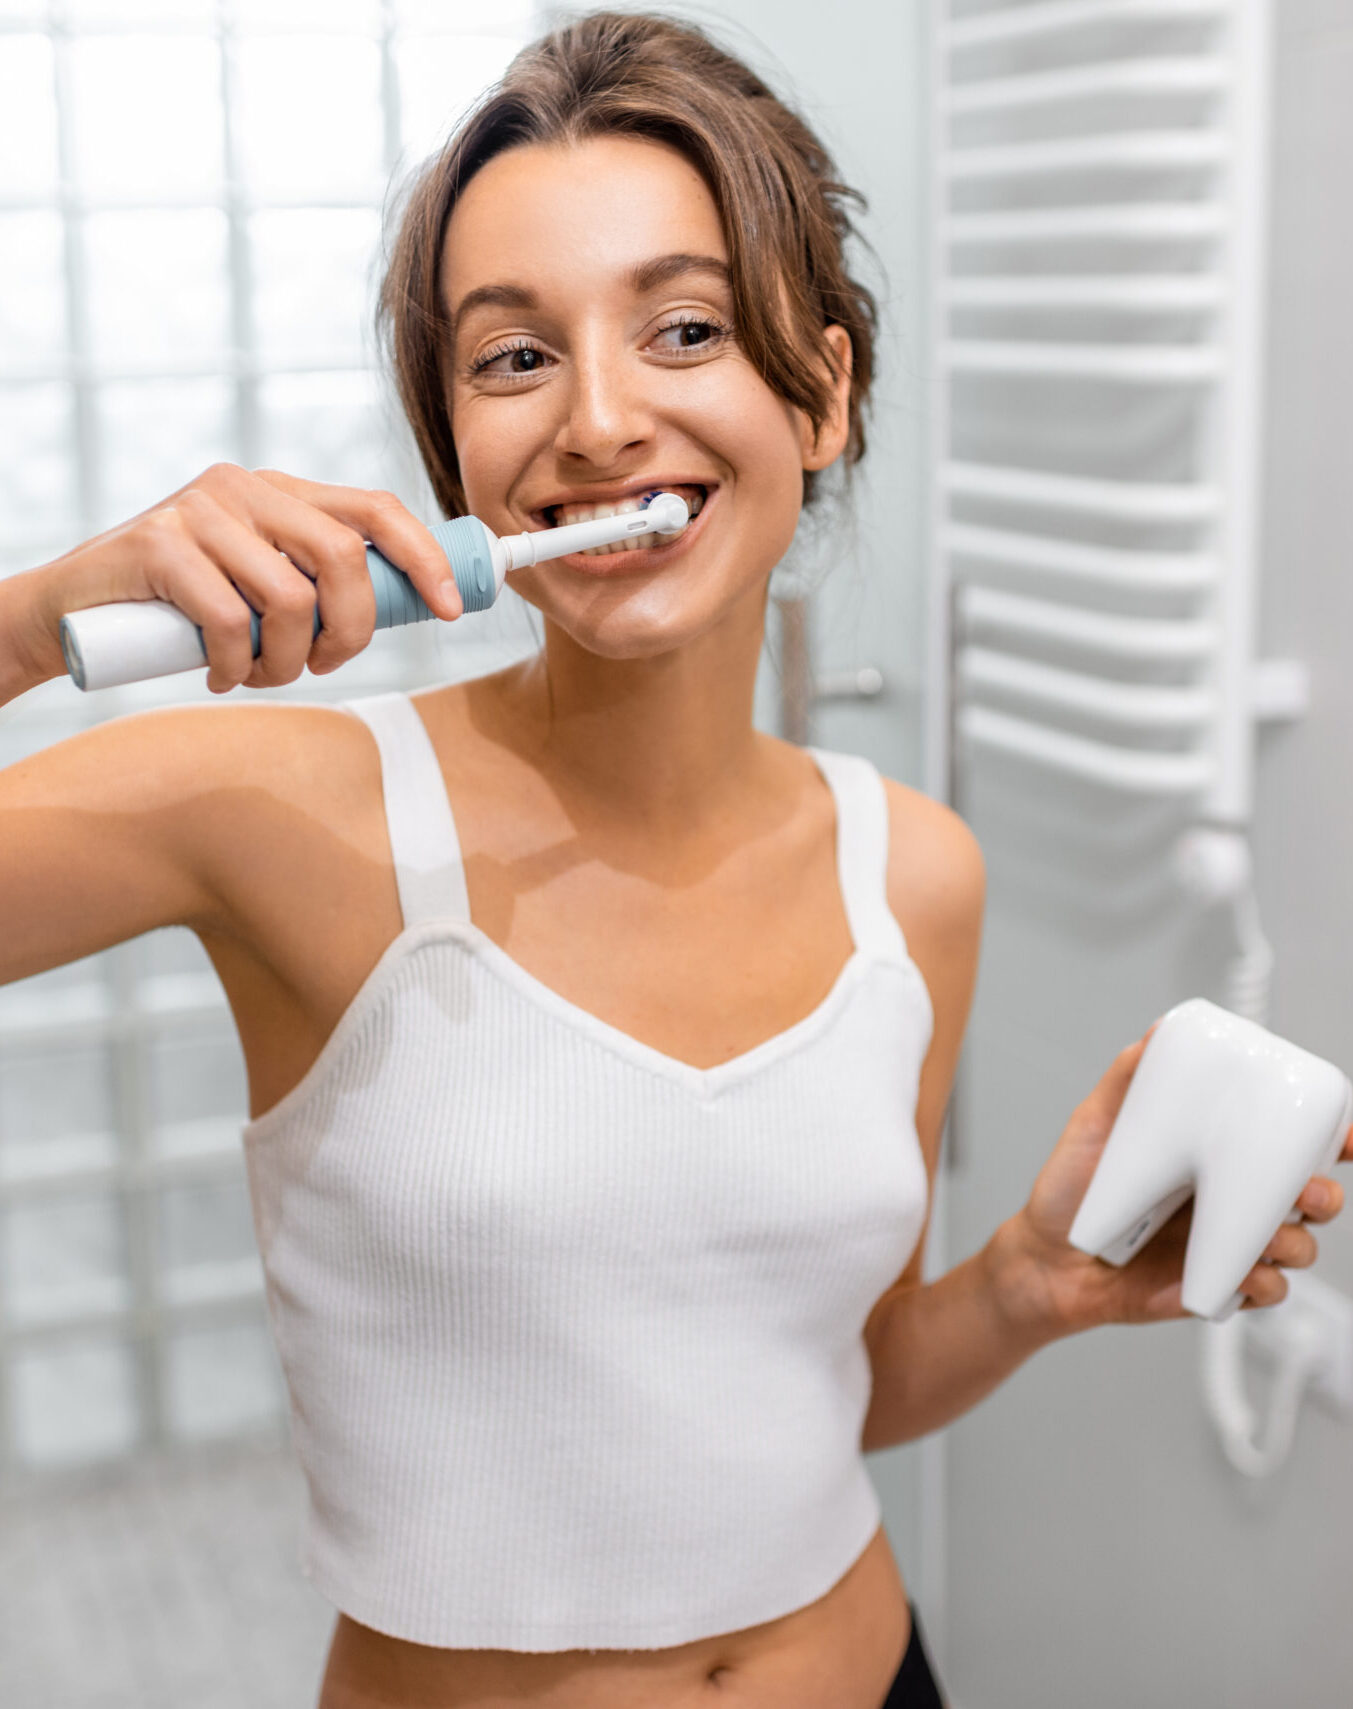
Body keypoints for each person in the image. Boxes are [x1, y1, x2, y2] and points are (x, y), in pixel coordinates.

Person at [1, 13, 1346, 1709]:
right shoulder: (283, 809)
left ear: (824, 395)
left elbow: (819, 1393)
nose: (600, 418)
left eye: (686, 327)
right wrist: (36, 617)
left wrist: (1018, 1284)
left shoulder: (912, 874)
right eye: (511, 359)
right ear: (457, 465)